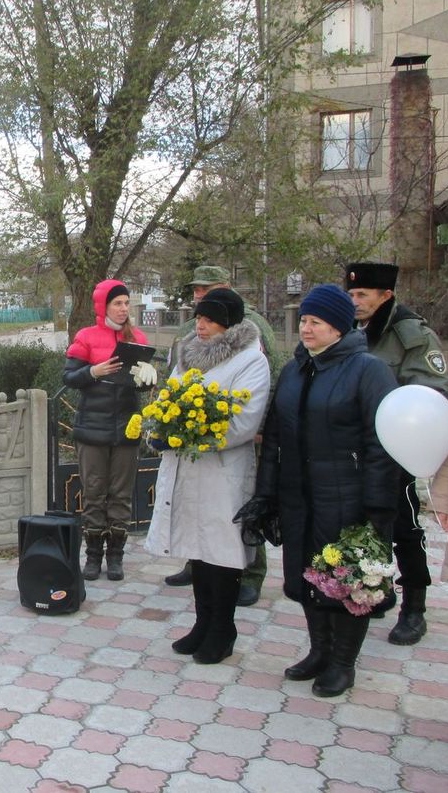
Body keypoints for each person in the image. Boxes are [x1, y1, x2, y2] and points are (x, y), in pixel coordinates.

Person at [251, 284, 398, 697]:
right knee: (307, 576)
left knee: (348, 581)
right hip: (300, 496)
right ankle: (319, 650)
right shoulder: (296, 368)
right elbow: (275, 437)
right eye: (303, 321)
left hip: (347, 498)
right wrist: (267, 495)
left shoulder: (368, 370)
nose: (306, 329)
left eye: (316, 322)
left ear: (339, 326)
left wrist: (376, 506)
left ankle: (342, 662)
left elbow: (380, 442)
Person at [145, 288, 271, 664]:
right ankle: (202, 623)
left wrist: (192, 434)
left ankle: (223, 629)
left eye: (210, 319)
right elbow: (171, 395)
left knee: (221, 551)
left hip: (222, 471)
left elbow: (245, 419)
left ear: (228, 323)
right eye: (199, 318)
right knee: (197, 551)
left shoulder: (251, 360)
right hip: (187, 467)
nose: (200, 325)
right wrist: (163, 424)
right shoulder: (187, 353)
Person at [345, 262, 448, 646]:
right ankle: (378, 589)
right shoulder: (350, 329)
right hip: (356, 448)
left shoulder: (410, 334)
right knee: (364, 524)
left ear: (386, 295)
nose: (354, 302)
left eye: (362, 296)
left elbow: (432, 388)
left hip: (396, 450)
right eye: (352, 295)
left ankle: (415, 607)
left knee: (404, 528)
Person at [165, 264, 280, 605]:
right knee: (199, 514)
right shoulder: (193, 329)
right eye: (197, 289)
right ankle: (194, 561)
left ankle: (251, 572)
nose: (200, 294)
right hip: (194, 447)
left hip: (237, 439)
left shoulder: (252, 327)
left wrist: (259, 428)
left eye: (208, 288)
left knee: (239, 512)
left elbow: (266, 379)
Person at [63, 278, 157, 581]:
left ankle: (115, 557)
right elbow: (69, 378)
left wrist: (150, 377)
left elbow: (142, 385)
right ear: (103, 305)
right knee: (93, 493)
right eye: (118, 303)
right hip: (93, 427)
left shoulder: (137, 337)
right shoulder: (86, 337)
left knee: (120, 495)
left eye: (126, 303)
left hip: (126, 428)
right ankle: (92, 557)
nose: (123, 309)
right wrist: (94, 371)